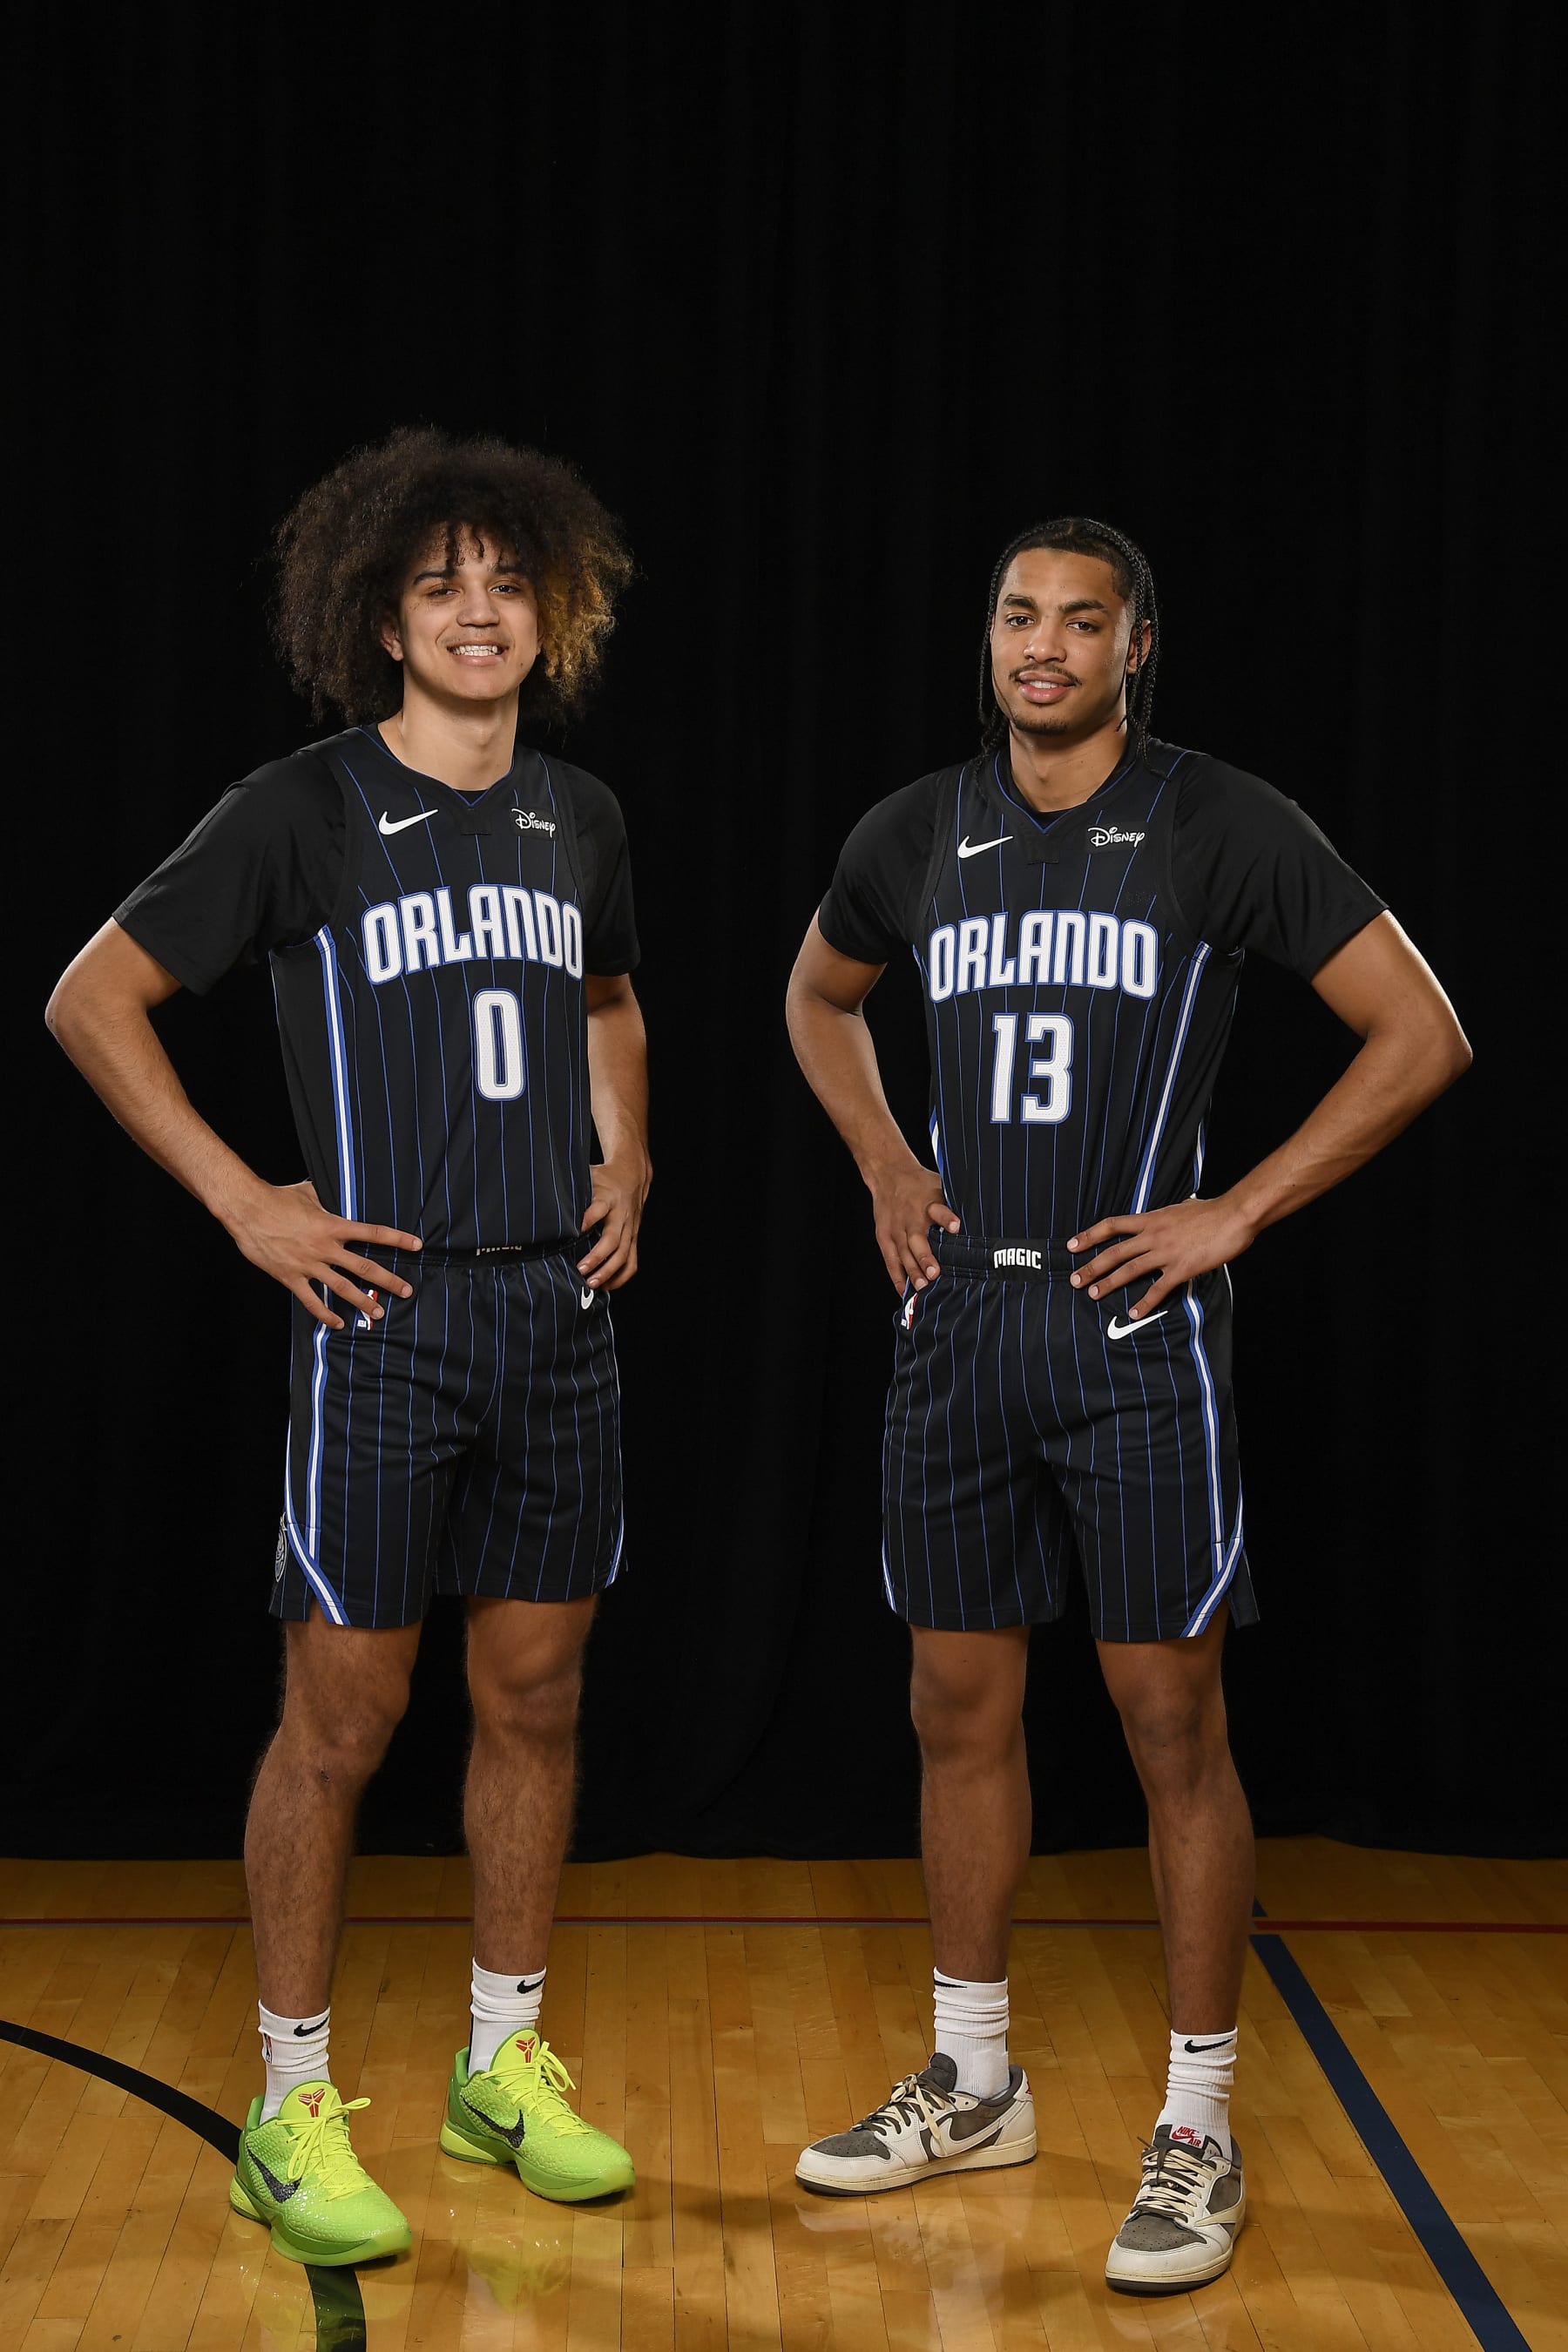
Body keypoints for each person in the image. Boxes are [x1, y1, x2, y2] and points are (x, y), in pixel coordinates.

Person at [784, 516, 1470, 2293]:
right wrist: (878, 1158)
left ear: (1135, 646)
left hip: (1131, 1333)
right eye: (1018, 614)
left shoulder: (1221, 821)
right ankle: (977, 2076)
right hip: (960, 1320)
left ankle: (1197, 2126)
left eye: (1080, 622)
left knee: (1172, 1725)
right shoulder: (912, 830)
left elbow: (1421, 1031)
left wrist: (1234, 1209)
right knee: (956, 1705)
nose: (1042, 646)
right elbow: (817, 993)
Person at [46, 429, 650, 2265]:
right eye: (440, 582)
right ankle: (289, 2099)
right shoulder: (302, 809)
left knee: (534, 1699)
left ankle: (503, 2063)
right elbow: (94, 997)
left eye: (507, 580)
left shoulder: (582, 816)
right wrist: (249, 1202)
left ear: (551, 613)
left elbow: (612, 994)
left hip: (553, 1309)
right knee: (345, 1721)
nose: (480, 609)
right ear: (381, 619)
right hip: (385, 1315)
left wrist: (633, 1141)